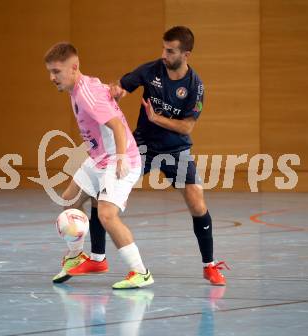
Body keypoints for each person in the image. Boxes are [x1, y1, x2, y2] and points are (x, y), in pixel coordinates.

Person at [68, 26, 229, 286]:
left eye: (171, 50)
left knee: (197, 203)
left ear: (186, 54)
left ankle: (209, 266)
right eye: (163, 48)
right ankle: (97, 258)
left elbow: (187, 127)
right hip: (141, 146)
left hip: (176, 149)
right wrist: (115, 91)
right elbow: (122, 87)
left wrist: (157, 118)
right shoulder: (151, 70)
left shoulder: (195, 86)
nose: (164, 54)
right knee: (102, 193)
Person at [44, 42, 154, 289]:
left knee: (106, 214)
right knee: (69, 200)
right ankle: (78, 257)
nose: (52, 77)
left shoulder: (85, 95)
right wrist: (115, 91)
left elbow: (116, 125)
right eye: (50, 72)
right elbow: (102, 90)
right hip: (99, 158)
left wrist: (121, 159)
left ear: (74, 68)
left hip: (119, 159)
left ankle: (141, 272)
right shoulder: (84, 85)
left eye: (57, 71)